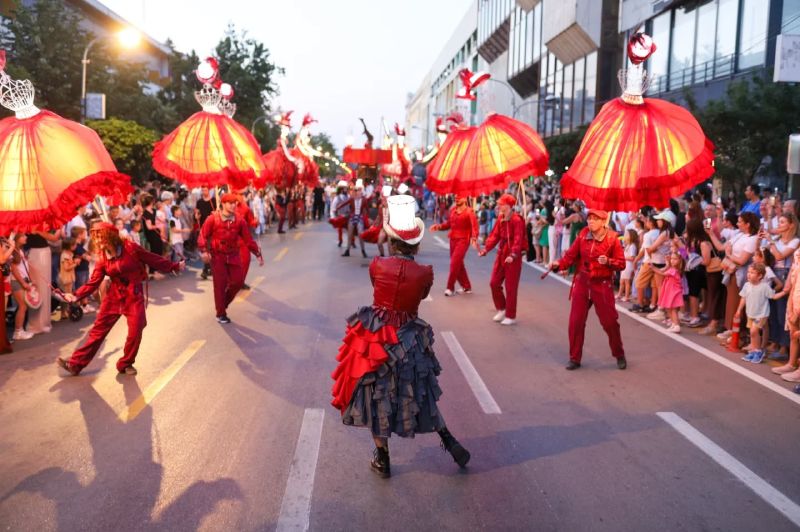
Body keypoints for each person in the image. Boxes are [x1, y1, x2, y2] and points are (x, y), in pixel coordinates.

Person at [330, 194, 470, 479]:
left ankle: (383, 458)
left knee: (375, 396)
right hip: (410, 337)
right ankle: (448, 439)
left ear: (391, 240)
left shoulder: (377, 265)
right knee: (420, 392)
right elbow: (422, 295)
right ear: (415, 243)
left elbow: (377, 289)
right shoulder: (424, 273)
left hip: (377, 336)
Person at [56, 222, 185, 376]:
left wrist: (174, 266)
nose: (96, 240)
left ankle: (126, 363)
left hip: (133, 294)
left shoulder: (130, 248)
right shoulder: (103, 257)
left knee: (136, 328)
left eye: (100, 236)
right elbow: (93, 282)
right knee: (97, 332)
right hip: (114, 296)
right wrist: (75, 295)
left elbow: (152, 259)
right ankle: (75, 364)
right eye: (95, 237)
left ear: (110, 236)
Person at [549, 209, 627, 370]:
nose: (590, 221)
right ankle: (574, 358)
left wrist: (609, 262)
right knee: (575, 322)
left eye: (594, 219)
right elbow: (570, 256)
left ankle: (619, 353)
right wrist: (559, 264)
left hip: (602, 284)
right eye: (589, 218)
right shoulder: (583, 234)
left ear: (603, 221)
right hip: (583, 283)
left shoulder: (613, 238)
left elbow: (621, 264)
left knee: (610, 322)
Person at [199, 193, 264, 324]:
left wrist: (257, 253)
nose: (233, 205)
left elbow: (248, 240)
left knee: (238, 282)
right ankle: (220, 313)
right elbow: (202, 235)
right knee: (220, 285)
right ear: (223, 204)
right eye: (230, 202)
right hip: (217, 256)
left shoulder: (240, 221)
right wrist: (204, 251)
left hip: (234, 255)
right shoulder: (212, 219)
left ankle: (223, 304)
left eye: (234, 202)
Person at [478, 193, 527, 325]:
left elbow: (518, 239)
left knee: (511, 287)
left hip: (512, 257)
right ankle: (502, 308)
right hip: (501, 254)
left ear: (509, 205)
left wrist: (513, 255)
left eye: (501, 204)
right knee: (494, 283)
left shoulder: (517, 220)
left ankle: (511, 315)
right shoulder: (500, 218)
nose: (499, 206)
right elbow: (494, 236)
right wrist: (486, 249)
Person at [430, 194, 479, 296]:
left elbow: (474, 227)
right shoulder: (453, 210)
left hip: (463, 240)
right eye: (456, 196)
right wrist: (438, 226)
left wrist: (474, 238)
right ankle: (466, 286)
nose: (456, 198)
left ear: (465, 198)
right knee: (458, 264)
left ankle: (450, 287)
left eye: (459, 196)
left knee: (454, 263)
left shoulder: (470, 212)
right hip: (453, 240)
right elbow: (448, 224)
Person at [737, 263, 779, 364]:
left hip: (761, 314)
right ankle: (754, 350)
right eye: (748, 272)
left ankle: (758, 351)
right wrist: (739, 310)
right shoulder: (747, 285)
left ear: (760, 276)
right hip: (750, 314)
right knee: (752, 333)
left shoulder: (764, 286)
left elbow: (773, 296)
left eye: (752, 272)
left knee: (754, 332)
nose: (749, 274)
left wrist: (784, 292)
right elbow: (743, 298)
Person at [652, 252, 686, 333]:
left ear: (680, 261)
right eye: (672, 259)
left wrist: (653, 267)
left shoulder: (674, 270)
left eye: (675, 259)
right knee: (669, 308)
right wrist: (667, 262)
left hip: (673, 292)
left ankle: (676, 325)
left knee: (673, 309)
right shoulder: (672, 268)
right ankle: (674, 324)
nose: (672, 261)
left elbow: (662, 273)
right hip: (670, 291)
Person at [195, 186, 217, 279]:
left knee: (211, 248)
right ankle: (206, 269)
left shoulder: (214, 200)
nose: (204, 191)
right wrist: (196, 216)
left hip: (213, 227)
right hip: (204, 228)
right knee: (205, 248)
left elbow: (218, 212)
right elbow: (197, 213)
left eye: (206, 190)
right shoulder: (199, 202)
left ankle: (208, 268)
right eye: (203, 190)